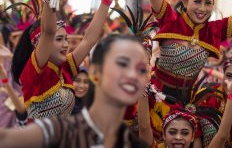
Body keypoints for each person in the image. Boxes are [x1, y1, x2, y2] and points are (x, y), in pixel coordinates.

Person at [9, 0, 120, 119]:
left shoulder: (65, 68)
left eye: (66, 39)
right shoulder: (35, 71)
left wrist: (106, 1)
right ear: (38, 44)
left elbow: (89, 39)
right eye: (60, 39)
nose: (66, 45)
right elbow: (48, 32)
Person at [0, 34, 150, 147]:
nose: (132, 75)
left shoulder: (133, 144)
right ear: (95, 72)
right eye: (123, 64)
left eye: (142, 69)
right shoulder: (61, 131)